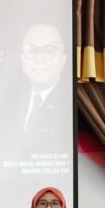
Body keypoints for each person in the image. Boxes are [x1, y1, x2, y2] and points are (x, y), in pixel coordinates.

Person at [19, 23, 68, 153]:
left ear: (62, 60)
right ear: (22, 60)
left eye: (49, 51)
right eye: (31, 51)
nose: (39, 58)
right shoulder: (8, 103)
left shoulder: (69, 104)